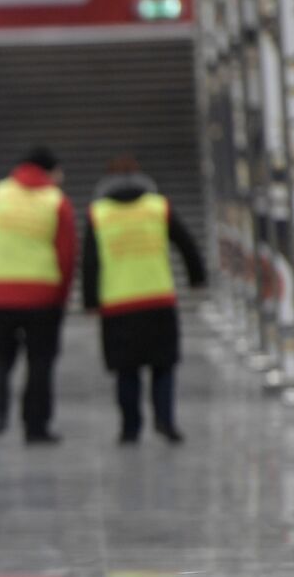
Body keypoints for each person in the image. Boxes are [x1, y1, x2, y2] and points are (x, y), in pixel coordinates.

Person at [82, 155, 205, 444]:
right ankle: (165, 420)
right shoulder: (157, 207)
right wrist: (196, 277)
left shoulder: (98, 213)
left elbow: (90, 262)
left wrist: (90, 301)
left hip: (118, 304)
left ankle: (130, 428)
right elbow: (186, 242)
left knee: (127, 371)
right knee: (163, 366)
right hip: (157, 299)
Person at [0, 146, 78, 446]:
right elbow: (67, 256)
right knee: (41, 362)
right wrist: (62, 295)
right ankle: (36, 426)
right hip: (43, 295)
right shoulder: (57, 201)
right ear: (49, 171)